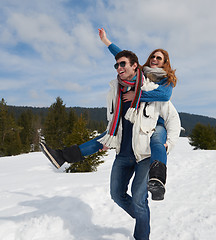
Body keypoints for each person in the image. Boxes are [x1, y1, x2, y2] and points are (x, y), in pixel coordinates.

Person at [41, 49, 180, 240]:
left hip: (144, 154)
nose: (119, 67)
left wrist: (169, 143)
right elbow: (112, 119)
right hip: (123, 152)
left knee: (139, 200)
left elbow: (172, 117)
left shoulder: (150, 89)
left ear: (134, 66)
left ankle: (142, 233)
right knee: (117, 194)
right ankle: (142, 217)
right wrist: (112, 138)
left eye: (123, 64)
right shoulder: (115, 89)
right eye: (116, 65)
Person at [98, 28, 179, 201]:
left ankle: (158, 180)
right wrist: (106, 41)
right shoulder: (142, 72)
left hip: (157, 119)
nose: (155, 59)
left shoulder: (166, 78)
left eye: (159, 58)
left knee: (158, 141)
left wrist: (136, 96)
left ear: (165, 62)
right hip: (142, 120)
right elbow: (123, 56)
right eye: (153, 56)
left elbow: (164, 96)